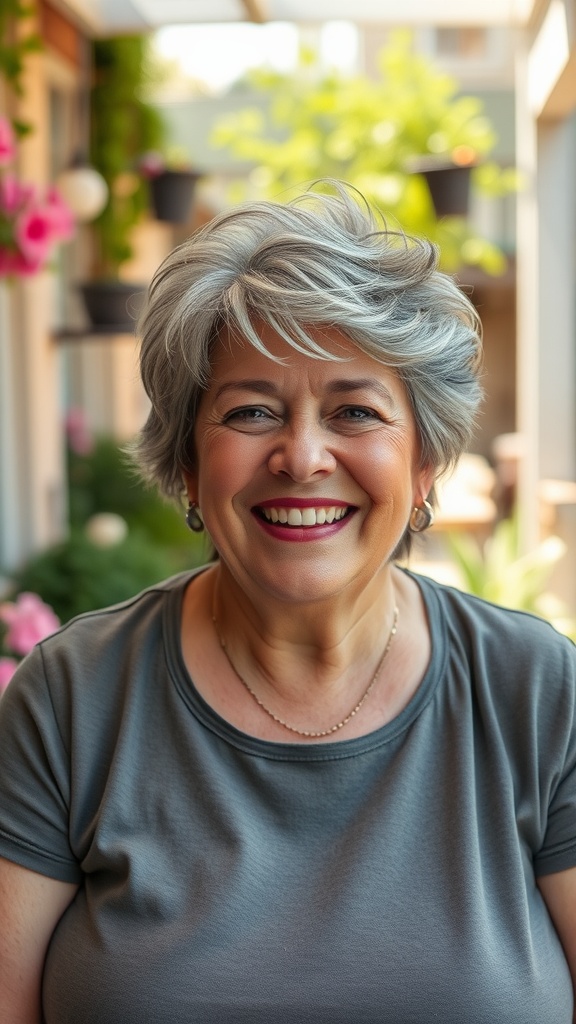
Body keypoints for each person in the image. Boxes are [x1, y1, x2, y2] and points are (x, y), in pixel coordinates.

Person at [1, 183, 575, 1024]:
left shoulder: (538, 692)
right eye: (251, 411)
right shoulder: (73, 700)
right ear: (189, 465)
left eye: (355, 411)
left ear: (423, 466)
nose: (302, 457)